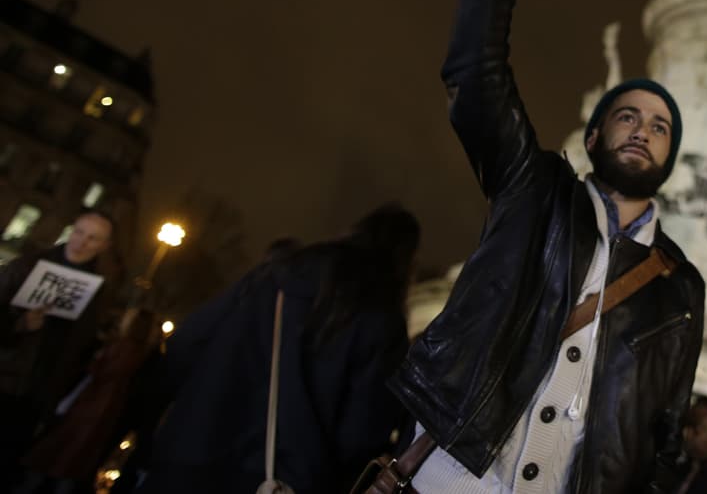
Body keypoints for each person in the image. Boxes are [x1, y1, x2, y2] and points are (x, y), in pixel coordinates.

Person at [385, 0, 706, 492]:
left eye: (659, 125)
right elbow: (476, 73)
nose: (643, 130)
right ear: (590, 138)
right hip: (454, 478)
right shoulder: (534, 190)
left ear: (671, 154)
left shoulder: (681, 284)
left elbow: (666, 429)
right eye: (626, 115)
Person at [136, 204, 420, 494]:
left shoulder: (278, 274)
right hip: (279, 480)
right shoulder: (384, 319)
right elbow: (362, 434)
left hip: (187, 453)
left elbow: (185, 344)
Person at [0, 210, 117, 488]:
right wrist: (20, 323)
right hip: (5, 378)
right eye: (79, 232)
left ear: (104, 246)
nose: (81, 242)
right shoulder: (26, 266)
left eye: (93, 238)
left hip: (40, 392)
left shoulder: (100, 290)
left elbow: (83, 343)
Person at [17, 306, 162, 494]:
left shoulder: (124, 349)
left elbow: (102, 371)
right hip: (97, 409)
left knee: (63, 452)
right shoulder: (140, 353)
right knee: (68, 457)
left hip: (92, 408)